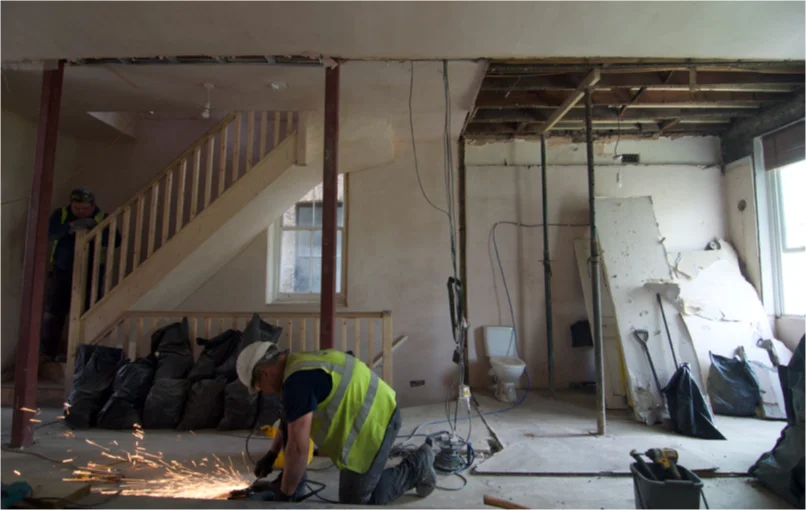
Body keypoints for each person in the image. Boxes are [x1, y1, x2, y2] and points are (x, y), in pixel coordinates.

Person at [236, 342, 437, 504]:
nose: (265, 392)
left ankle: (418, 464)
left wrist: (285, 495)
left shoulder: (297, 383)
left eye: (260, 388)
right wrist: (272, 454)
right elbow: (289, 420)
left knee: (356, 503)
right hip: (372, 414)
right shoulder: (296, 366)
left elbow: (298, 448)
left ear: (265, 373)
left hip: (378, 422)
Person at [41, 187, 112, 362]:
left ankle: (84, 355)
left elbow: (115, 240)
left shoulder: (102, 217)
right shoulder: (61, 214)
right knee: (54, 313)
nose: (80, 212)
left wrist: (96, 228)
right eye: (76, 208)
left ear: (93, 205)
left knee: (90, 312)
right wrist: (70, 226)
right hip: (62, 271)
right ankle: (48, 353)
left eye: (84, 208)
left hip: (93, 273)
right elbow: (50, 233)